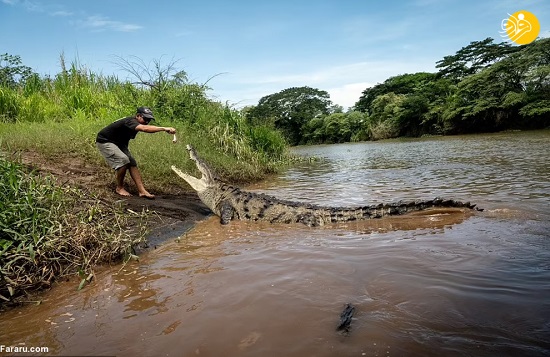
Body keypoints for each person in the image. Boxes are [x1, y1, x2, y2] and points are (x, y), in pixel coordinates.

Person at [96, 106, 176, 199]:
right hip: (105, 141)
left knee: (132, 162)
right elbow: (145, 129)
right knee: (123, 160)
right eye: (145, 119)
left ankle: (142, 191)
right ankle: (119, 188)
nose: (146, 122)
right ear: (138, 116)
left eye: (149, 120)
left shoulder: (135, 123)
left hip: (119, 143)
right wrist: (164, 128)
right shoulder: (131, 121)